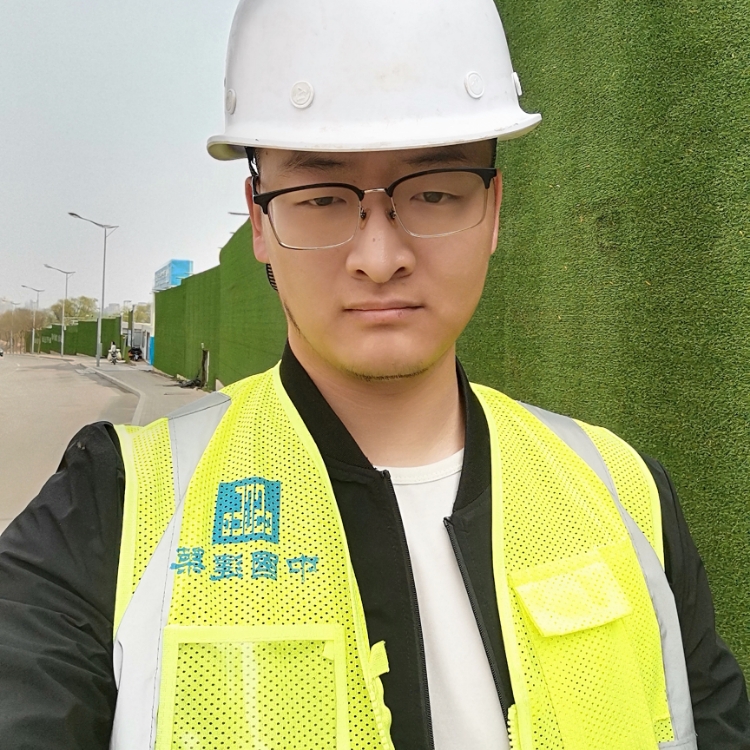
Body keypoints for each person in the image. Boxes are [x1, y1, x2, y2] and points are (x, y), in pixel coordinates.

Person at [1, 1, 748, 748]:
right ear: (259, 220)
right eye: (323, 199)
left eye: (434, 191)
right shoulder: (118, 510)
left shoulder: (624, 494)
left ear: (493, 208)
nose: (380, 257)